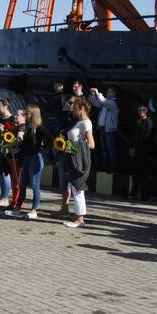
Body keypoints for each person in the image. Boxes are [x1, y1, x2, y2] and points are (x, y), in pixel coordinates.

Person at [8, 104, 51, 219]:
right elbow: (23, 143)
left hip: (35, 158)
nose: (25, 115)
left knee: (35, 185)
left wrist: (41, 148)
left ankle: (33, 210)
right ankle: (17, 209)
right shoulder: (27, 127)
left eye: (27, 113)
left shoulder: (39, 127)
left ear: (33, 114)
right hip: (26, 158)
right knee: (22, 185)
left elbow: (50, 139)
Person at [63, 97, 95, 228]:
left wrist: (73, 146)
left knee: (78, 189)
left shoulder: (86, 123)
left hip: (80, 161)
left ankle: (80, 219)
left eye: (75, 108)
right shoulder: (79, 122)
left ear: (82, 109)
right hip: (74, 158)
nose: (73, 111)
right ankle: (78, 216)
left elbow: (91, 144)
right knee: (76, 188)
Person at [90, 86, 119, 177]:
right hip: (102, 128)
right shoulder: (105, 103)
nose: (107, 93)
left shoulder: (114, 103)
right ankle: (105, 167)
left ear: (114, 93)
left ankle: (112, 169)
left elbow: (103, 101)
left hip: (110, 130)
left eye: (109, 92)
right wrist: (93, 95)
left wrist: (98, 93)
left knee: (110, 150)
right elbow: (96, 103)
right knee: (104, 150)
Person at [128, 105, 155, 200]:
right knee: (135, 173)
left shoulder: (148, 122)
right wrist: (132, 147)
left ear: (146, 112)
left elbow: (145, 136)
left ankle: (144, 195)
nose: (140, 112)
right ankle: (133, 193)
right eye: (139, 111)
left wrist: (138, 148)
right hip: (136, 150)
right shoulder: (136, 122)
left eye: (142, 111)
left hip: (143, 151)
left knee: (143, 174)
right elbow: (133, 136)